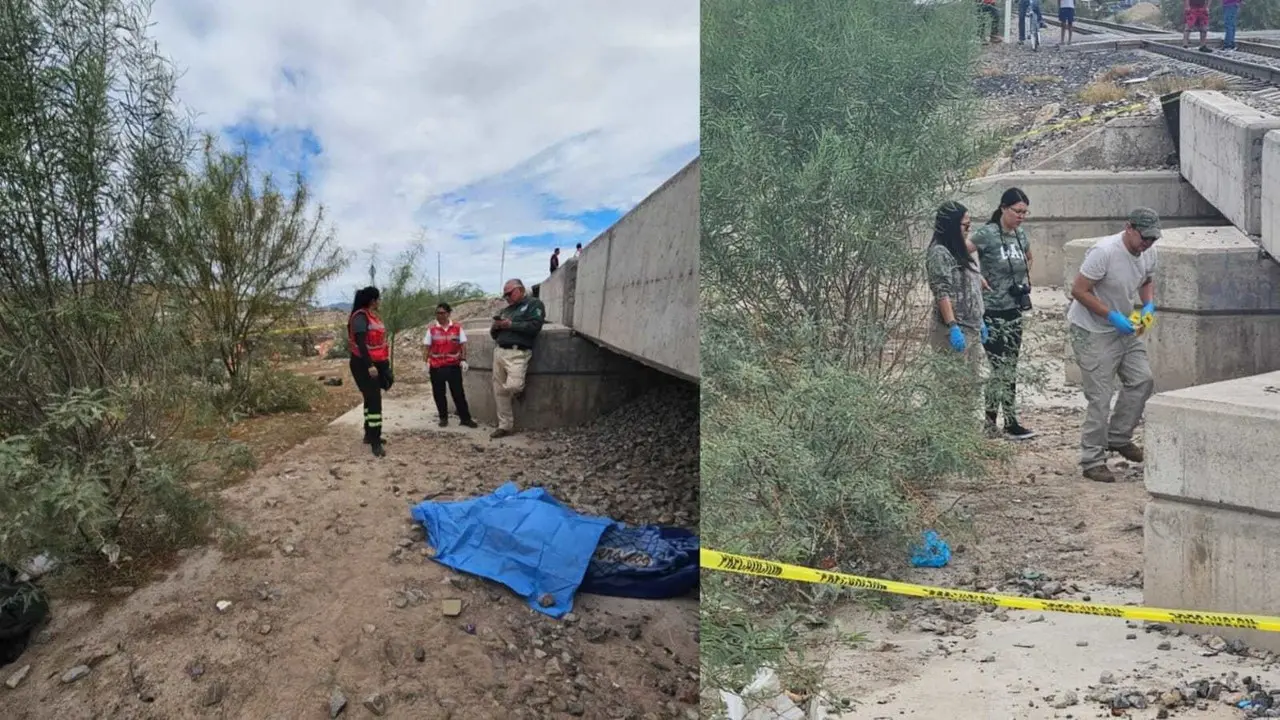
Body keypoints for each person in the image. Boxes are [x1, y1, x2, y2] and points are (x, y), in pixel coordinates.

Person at [1066, 208, 1161, 484]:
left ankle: (1118, 436)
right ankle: (1092, 459)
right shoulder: (1103, 252)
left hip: (1125, 328)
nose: (1148, 244)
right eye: (1144, 238)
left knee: (1142, 379)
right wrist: (1110, 315)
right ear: (1129, 228)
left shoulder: (1148, 251)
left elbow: (1147, 280)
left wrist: (1148, 307)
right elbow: (1079, 290)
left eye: (1153, 240)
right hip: (1093, 330)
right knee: (1100, 396)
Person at [973, 188, 1036, 441]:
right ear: (1003, 208)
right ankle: (990, 422)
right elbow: (961, 252)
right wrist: (976, 276)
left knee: (1010, 366)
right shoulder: (987, 234)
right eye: (1017, 211)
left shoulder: (1020, 235)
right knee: (999, 367)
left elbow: (1029, 258)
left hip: (1013, 308)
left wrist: (1017, 280)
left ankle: (1010, 421)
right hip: (991, 310)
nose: (1021, 217)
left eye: (1025, 212)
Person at [925, 202, 989, 372]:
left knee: (972, 388)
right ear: (952, 225)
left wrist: (979, 319)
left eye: (970, 226)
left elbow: (970, 287)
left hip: (971, 327)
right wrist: (953, 326)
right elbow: (941, 292)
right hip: (954, 331)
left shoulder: (959, 251)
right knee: (954, 387)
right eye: (965, 226)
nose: (968, 230)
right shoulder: (939, 253)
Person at [489, 279, 546, 439]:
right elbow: (494, 335)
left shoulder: (534, 304)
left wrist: (511, 325)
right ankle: (505, 426)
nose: (506, 297)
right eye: (505, 294)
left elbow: (534, 327)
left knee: (514, 386)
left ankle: (519, 391)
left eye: (509, 293)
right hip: (500, 351)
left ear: (519, 290)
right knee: (499, 391)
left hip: (518, 353)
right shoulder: (506, 310)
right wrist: (496, 327)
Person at [348, 286, 393, 457]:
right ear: (372, 300)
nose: (379, 302)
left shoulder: (371, 316)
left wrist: (385, 366)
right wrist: (370, 366)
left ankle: (369, 434)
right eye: (378, 299)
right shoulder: (360, 317)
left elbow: (378, 343)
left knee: (369, 399)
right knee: (374, 401)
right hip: (364, 364)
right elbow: (360, 343)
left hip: (376, 363)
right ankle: (375, 440)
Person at [423, 302, 478, 429]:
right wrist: (425, 363)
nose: (439, 315)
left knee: (458, 393)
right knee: (439, 393)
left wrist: (463, 360)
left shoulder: (457, 328)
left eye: (442, 313)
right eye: (437, 313)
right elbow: (426, 348)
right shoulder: (432, 330)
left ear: (448, 314)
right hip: (437, 367)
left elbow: (463, 345)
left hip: (453, 366)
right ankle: (443, 418)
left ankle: (465, 419)